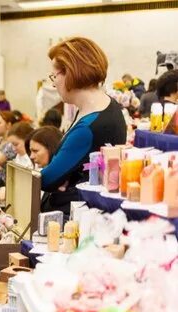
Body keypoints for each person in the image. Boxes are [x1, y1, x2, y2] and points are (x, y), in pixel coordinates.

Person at [42, 37, 126, 216]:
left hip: (77, 214)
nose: (53, 83)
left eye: (54, 76)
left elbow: (47, 179)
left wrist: (60, 178)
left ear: (70, 73)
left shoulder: (89, 126)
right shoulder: (106, 106)